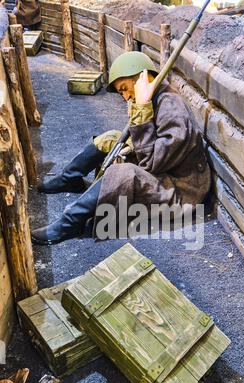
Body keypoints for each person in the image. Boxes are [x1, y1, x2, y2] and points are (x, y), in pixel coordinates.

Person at [31, 51, 211, 245]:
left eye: (125, 88)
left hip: (181, 193)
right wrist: (131, 141)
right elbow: (150, 143)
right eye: (121, 92)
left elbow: (150, 163)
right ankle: (70, 179)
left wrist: (141, 110)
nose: (125, 97)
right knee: (111, 139)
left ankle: (70, 223)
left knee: (123, 173)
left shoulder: (171, 108)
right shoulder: (156, 97)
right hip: (167, 172)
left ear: (142, 78)